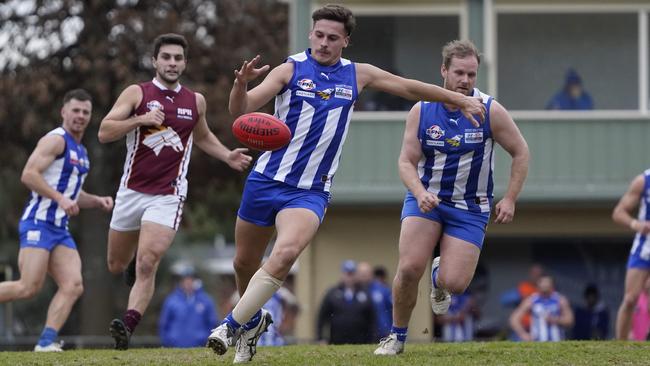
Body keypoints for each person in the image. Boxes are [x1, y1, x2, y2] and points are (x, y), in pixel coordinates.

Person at [206, 4, 486, 363]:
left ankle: (230, 326)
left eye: (332, 38)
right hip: (265, 180)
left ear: (346, 41)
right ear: (311, 34)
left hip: (309, 191)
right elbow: (240, 110)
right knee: (244, 264)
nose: (324, 43)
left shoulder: (358, 74)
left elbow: (408, 87)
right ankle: (252, 325)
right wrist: (240, 83)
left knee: (285, 253)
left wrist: (457, 97)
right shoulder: (289, 69)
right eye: (319, 35)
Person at [373, 39, 529, 355]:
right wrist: (418, 192)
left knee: (455, 283)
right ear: (444, 70)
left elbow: (521, 152)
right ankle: (396, 337)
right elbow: (406, 161)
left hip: (471, 208)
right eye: (459, 73)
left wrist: (510, 198)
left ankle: (440, 277)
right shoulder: (422, 110)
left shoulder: (489, 110)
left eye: (471, 74)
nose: (465, 81)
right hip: (426, 201)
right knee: (408, 268)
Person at [97, 33, 252, 350]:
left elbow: (204, 136)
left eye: (178, 58)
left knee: (148, 261)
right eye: (166, 57)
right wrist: (140, 119)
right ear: (154, 61)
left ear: (184, 63)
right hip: (131, 192)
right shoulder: (137, 93)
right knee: (115, 264)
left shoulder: (195, 101)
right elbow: (104, 131)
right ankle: (128, 263)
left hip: (168, 194)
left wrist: (227, 155)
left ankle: (128, 325)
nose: (172, 63)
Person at [0, 89, 114, 352]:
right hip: (38, 222)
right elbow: (29, 174)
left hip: (59, 230)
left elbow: (73, 192)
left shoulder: (82, 151)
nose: (81, 116)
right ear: (64, 112)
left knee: (73, 285)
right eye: (75, 110)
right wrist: (60, 199)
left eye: (86, 112)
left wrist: (96, 201)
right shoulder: (56, 140)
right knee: (28, 287)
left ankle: (45, 342)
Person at [612, 171, 650, 340]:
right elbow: (618, 213)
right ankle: (621, 347)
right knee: (629, 299)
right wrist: (636, 224)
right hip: (644, 246)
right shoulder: (643, 181)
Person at [316, 260, 375, 345]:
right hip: (337, 340)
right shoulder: (332, 293)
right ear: (342, 274)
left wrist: (371, 339)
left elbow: (372, 319)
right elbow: (322, 317)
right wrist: (320, 337)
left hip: (360, 341)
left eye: (352, 274)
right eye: (347, 274)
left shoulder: (365, 293)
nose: (350, 277)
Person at [158, 266, 219, 348]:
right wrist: (168, 341)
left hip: (199, 347)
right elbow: (164, 324)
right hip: (175, 347)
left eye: (191, 279)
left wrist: (205, 339)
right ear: (181, 282)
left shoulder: (206, 300)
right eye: (185, 280)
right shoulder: (171, 300)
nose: (188, 282)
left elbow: (212, 323)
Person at [509, 276, 574, 342]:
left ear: (552, 286)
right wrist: (523, 334)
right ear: (538, 286)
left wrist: (556, 320)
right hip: (537, 342)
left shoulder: (560, 300)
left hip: (557, 342)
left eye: (547, 284)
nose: (544, 286)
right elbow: (514, 319)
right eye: (542, 284)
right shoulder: (531, 300)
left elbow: (570, 320)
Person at [357, 262, 393, 341]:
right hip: (361, 335)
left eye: (366, 273)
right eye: (361, 273)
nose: (364, 275)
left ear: (371, 274)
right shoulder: (354, 291)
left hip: (383, 332)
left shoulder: (383, 290)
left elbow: (394, 309)